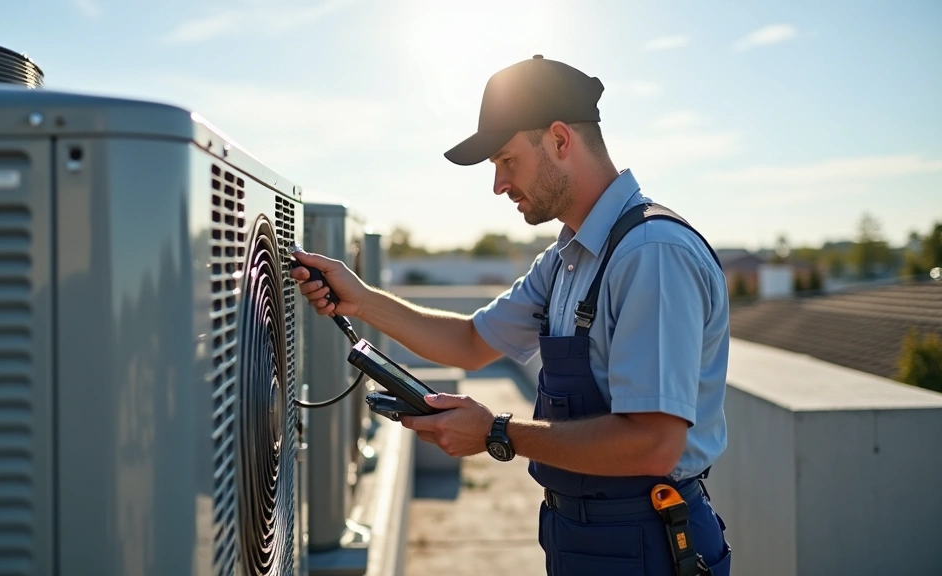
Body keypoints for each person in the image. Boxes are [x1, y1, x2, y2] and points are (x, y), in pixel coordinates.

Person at [290, 55, 732, 575]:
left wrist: (497, 432)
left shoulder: (651, 254)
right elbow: (473, 343)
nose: (498, 185)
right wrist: (359, 298)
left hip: (648, 543)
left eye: (506, 160)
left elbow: (653, 443)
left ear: (561, 140)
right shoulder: (567, 259)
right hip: (580, 536)